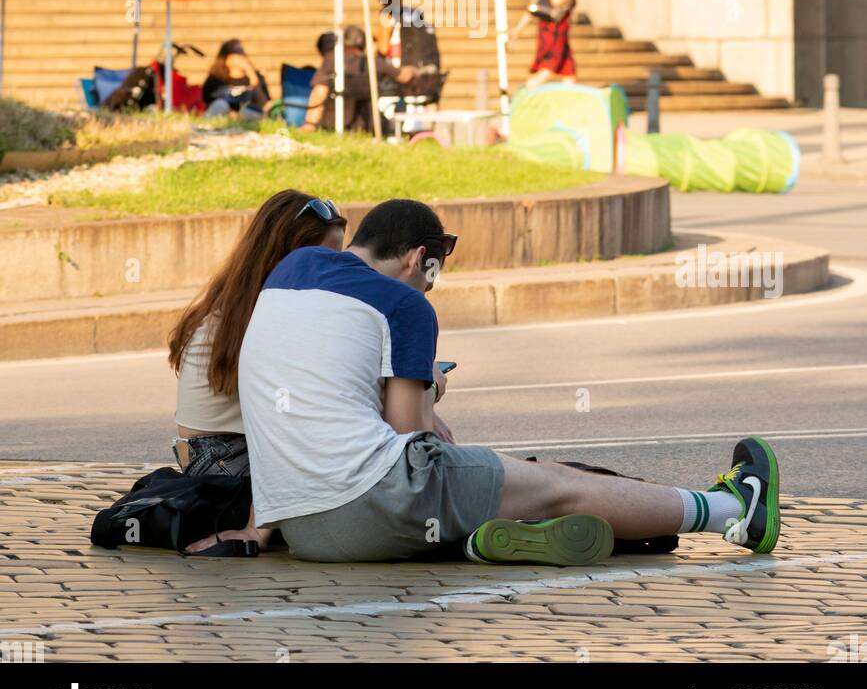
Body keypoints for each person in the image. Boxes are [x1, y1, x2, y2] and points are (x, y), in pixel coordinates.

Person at [238, 197, 780, 565]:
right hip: (376, 505)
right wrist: (432, 390)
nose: (432, 286)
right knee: (560, 483)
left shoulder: (294, 269)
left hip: (306, 530)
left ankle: (485, 537)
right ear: (418, 258)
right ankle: (734, 511)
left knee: (492, 483)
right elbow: (411, 435)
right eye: (434, 272)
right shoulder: (405, 305)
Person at [167, 188, 347, 555]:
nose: (334, 270)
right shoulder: (264, 316)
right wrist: (258, 529)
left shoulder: (238, 303)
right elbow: (284, 423)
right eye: (325, 258)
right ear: (286, 255)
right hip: (227, 469)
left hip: (210, 463)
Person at [509, 0, 577, 88]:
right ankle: (524, 92)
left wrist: (518, 30)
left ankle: (569, 102)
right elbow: (556, 1)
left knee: (569, 73)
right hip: (554, 32)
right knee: (549, 68)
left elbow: (534, 8)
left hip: (559, 32)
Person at [202, 39, 270, 116]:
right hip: (223, 114)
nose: (241, 55)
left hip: (246, 115)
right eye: (236, 51)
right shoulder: (216, 77)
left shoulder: (255, 76)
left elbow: (263, 103)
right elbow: (206, 100)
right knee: (220, 105)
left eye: (241, 51)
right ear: (226, 56)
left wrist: (251, 74)